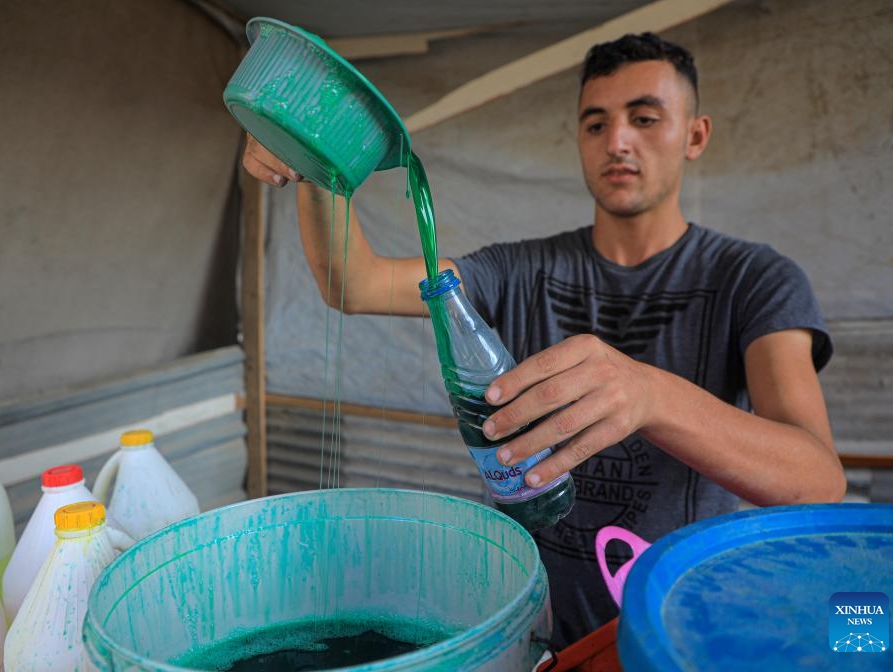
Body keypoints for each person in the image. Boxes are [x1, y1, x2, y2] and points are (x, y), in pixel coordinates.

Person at [242, 32, 846, 648]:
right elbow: (353, 283)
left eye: (645, 118)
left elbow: (817, 480)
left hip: (676, 637)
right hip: (531, 632)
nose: (618, 141)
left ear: (695, 135)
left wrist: (651, 395)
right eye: (595, 123)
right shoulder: (519, 270)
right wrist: (314, 153)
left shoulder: (755, 280)